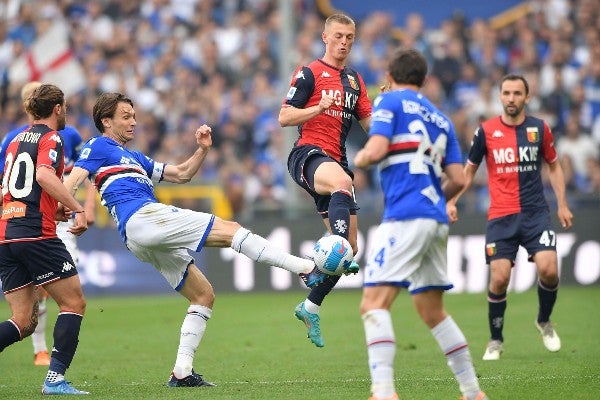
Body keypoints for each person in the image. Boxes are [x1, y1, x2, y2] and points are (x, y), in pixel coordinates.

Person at [63, 92, 323, 387]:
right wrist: (73, 211)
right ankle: (305, 268)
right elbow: (72, 181)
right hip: (144, 217)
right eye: (126, 117)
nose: (134, 122)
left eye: (134, 116)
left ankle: (182, 372)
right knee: (231, 229)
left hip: (139, 234)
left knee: (203, 295)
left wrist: (201, 150)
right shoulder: (98, 145)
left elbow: (181, 174)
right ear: (105, 122)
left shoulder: (134, 158)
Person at [353, 48, 487, 400]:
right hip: (435, 217)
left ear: (389, 76)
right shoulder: (441, 118)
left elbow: (377, 148)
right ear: (424, 81)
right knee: (432, 311)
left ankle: (383, 392)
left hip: (405, 216)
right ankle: (472, 392)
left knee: (373, 304)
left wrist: (359, 158)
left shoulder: (389, 102)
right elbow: (458, 179)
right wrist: (436, 198)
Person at [447, 73, 573, 361]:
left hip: (536, 213)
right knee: (500, 278)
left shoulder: (540, 129)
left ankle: (543, 320)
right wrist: (452, 199)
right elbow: (468, 170)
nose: (511, 98)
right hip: (501, 216)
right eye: (506, 93)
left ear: (526, 97)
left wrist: (563, 204)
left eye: (517, 93)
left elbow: (554, 167)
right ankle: (495, 339)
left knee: (549, 269)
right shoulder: (486, 131)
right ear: (500, 96)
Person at [278, 13, 372, 348]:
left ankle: (310, 305)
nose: (344, 42)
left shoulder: (356, 82)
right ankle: (322, 260)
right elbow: (285, 116)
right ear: (325, 36)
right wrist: (318, 108)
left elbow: (372, 127)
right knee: (342, 185)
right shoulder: (309, 73)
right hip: (308, 154)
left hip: (338, 163)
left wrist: (390, 110)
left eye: (350, 37)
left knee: (351, 249)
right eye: (339, 36)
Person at [0, 84, 89, 395]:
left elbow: (16, 190)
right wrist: (77, 208)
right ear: (58, 109)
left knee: (22, 321)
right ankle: (55, 380)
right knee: (74, 303)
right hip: (37, 236)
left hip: (7, 234)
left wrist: (53, 211)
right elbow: (43, 176)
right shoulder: (52, 138)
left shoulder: (13, 142)